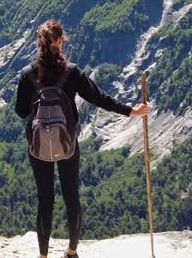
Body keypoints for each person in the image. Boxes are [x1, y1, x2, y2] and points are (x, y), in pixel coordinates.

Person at [14, 19, 150, 258]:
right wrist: (131, 111)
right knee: (71, 196)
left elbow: (21, 111)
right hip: (67, 143)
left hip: (37, 146)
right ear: (58, 41)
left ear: (41, 44)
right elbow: (99, 98)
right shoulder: (71, 72)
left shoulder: (28, 74)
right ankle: (72, 251)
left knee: (45, 200)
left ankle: (43, 256)